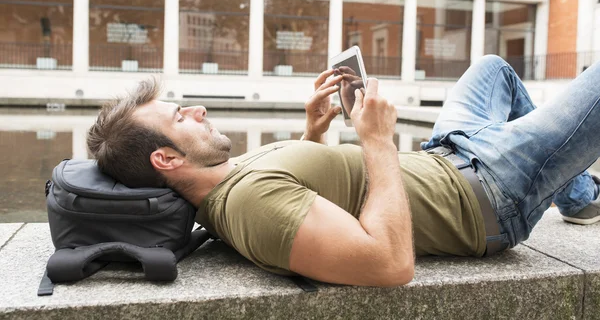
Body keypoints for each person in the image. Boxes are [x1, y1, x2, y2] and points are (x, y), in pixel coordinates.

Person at [87, 55, 600, 287]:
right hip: (490, 191)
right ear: (167, 159)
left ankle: (575, 196)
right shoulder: (248, 205)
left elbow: (315, 192)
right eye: (181, 117)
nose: (196, 109)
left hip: (452, 156)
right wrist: (376, 138)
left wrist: (313, 133)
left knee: (493, 69)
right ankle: (564, 188)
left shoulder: (228, 175)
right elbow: (388, 265)